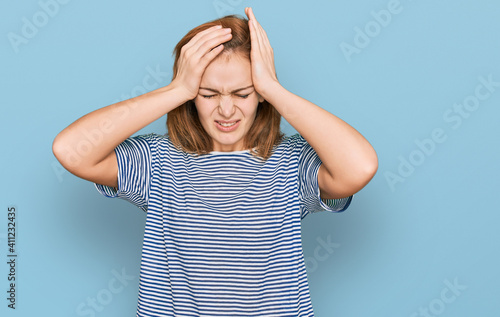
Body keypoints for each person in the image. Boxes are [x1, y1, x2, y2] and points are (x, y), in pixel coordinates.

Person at [53, 7, 378, 317]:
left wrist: (273, 88)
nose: (225, 110)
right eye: (209, 94)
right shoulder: (158, 161)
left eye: (242, 93)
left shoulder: (291, 162)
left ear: (260, 94)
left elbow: (360, 167)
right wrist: (177, 88)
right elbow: (71, 149)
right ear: (192, 96)